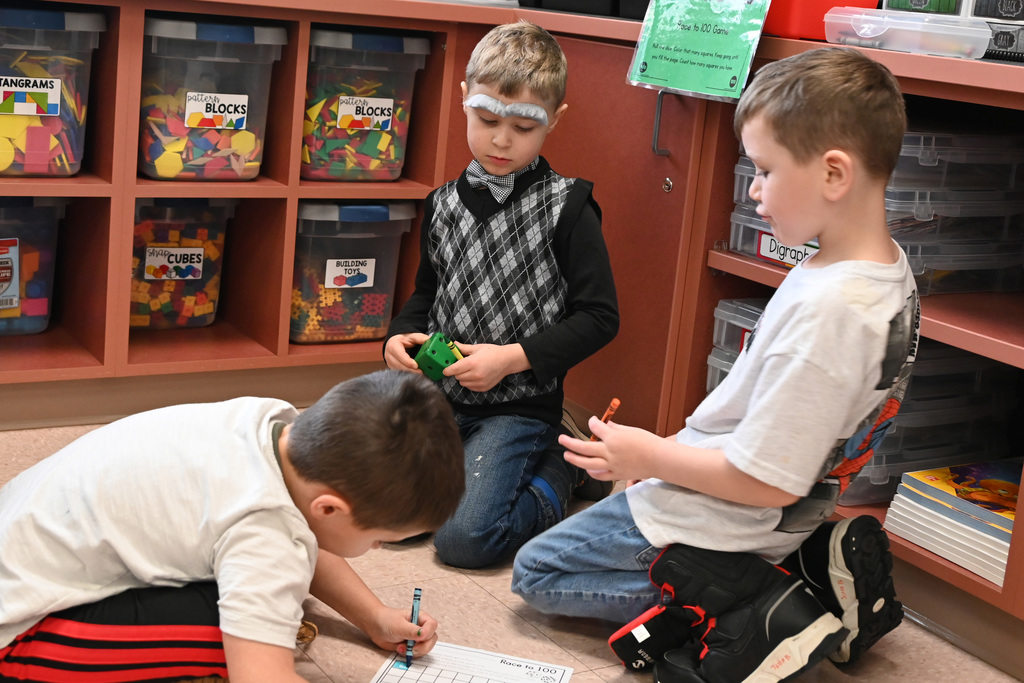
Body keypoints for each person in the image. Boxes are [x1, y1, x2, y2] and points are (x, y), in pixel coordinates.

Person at [511, 47, 920, 683]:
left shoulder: (830, 314)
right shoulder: (882, 269)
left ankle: (759, 606)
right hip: (776, 511)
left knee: (537, 573)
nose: (753, 190)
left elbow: (766, 483)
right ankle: (806, 571)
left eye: (764, 170)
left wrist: (645, 457)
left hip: (729, 511)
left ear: (834, 175)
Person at [0, 370, 465, 683]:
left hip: (21, 543)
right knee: (237, 632)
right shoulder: (264, 532)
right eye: (380, 538)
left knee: (270, 597)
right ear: (328, 508)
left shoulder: (272, 422)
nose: (379, 548)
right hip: (18, 632)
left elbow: (300, 536)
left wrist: (374, 616)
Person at [383, 20, 619, 569]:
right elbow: (425, 294)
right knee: (389, 519)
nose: (501, 140)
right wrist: (398, 337)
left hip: (521, 407)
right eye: (487, 120)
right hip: (442, 397)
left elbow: (600, 317)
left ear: (555, 121)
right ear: (463, 101)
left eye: (522, 127)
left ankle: (564, 468)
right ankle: (474, 466)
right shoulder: (442, 203)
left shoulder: (569, 207)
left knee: (463, 541)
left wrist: (512, 360)